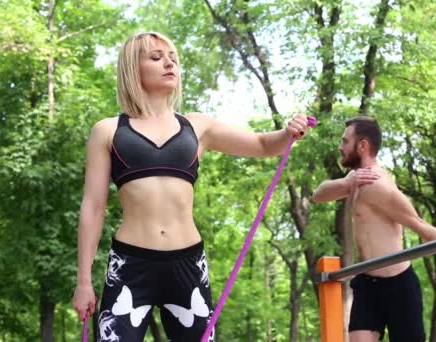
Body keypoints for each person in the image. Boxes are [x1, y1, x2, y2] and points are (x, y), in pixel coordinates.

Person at [71, 31, 309, 342]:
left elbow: (264, 145)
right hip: (130, 264)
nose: (169, 63)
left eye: (173, 58)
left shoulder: (196, 126)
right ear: (133, 67)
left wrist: (287, 132)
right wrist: (84, 281)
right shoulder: (108, 131)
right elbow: (93, 207)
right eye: (156, 58)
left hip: (188, 262)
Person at [311, 116, 436, 342]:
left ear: (362, 146)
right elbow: (318, 195)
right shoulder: (355, 179)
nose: (340, 147)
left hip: (398, 285)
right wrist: (345, 184)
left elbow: (418, 223)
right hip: (367, 283)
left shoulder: (377, 184)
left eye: (345, 141)